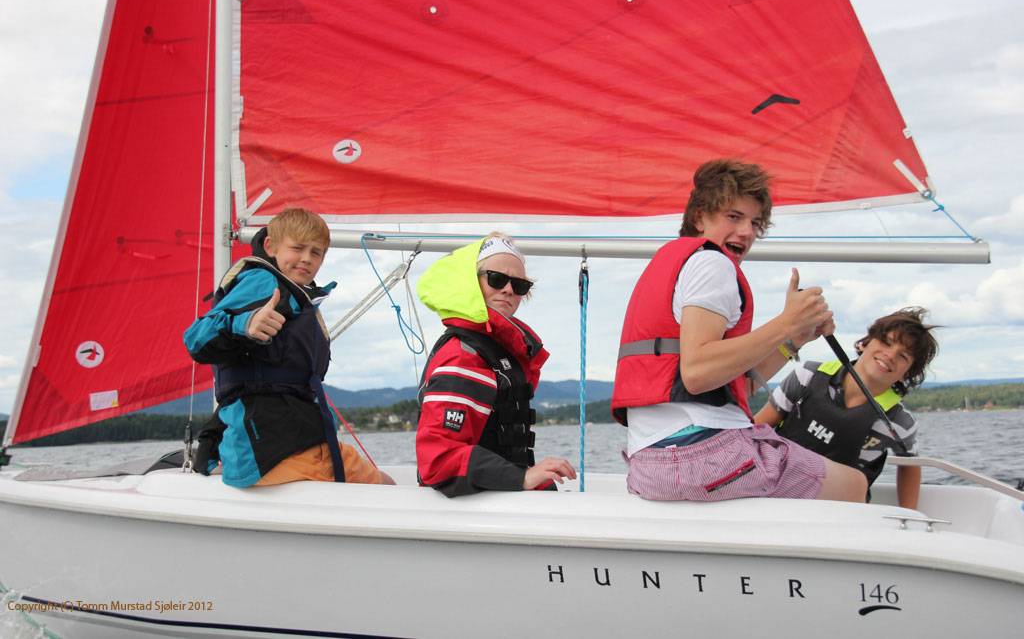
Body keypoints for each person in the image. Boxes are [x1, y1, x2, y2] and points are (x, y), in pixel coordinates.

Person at [612, 158, 867, 503]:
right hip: (704, 455)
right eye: (734, 217)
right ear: (699, 217)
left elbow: (732, 384)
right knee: (855, 485)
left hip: (650, 465)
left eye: (755, 222)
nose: (747, 232)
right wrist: (787, 321)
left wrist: (794, 339)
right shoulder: (712, 263)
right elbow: (698, 374)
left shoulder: (678, 265)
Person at [184, 207, 394, 487]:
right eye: (297, 248)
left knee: (383, 483)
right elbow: (196, 338)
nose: (307, 258)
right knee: (386, 487)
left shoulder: (294, 293)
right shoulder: (265, 282)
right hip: (278, 450)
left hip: (284, 440)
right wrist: (244, 324)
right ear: (271, 246)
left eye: (316, 252)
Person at [415, 233, 576, 497]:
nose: (509, 290)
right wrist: (522, 477)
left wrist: (524, 476)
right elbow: (439, 460)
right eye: (496, 279)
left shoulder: (495, 349)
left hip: (496, 494)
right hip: (478, 506)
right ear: (470, 281)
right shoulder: (463, 355)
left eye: (519, 284)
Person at [754, 308, 939, 509]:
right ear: (865, 343)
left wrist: (909, 513)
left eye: (903, 356)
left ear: (906, 374)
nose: (891, 355)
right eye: (886, 342)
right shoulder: (806, 376)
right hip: (775, 497)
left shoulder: (898, 422)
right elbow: (756, 429)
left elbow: (910, 464)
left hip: (840, 512)